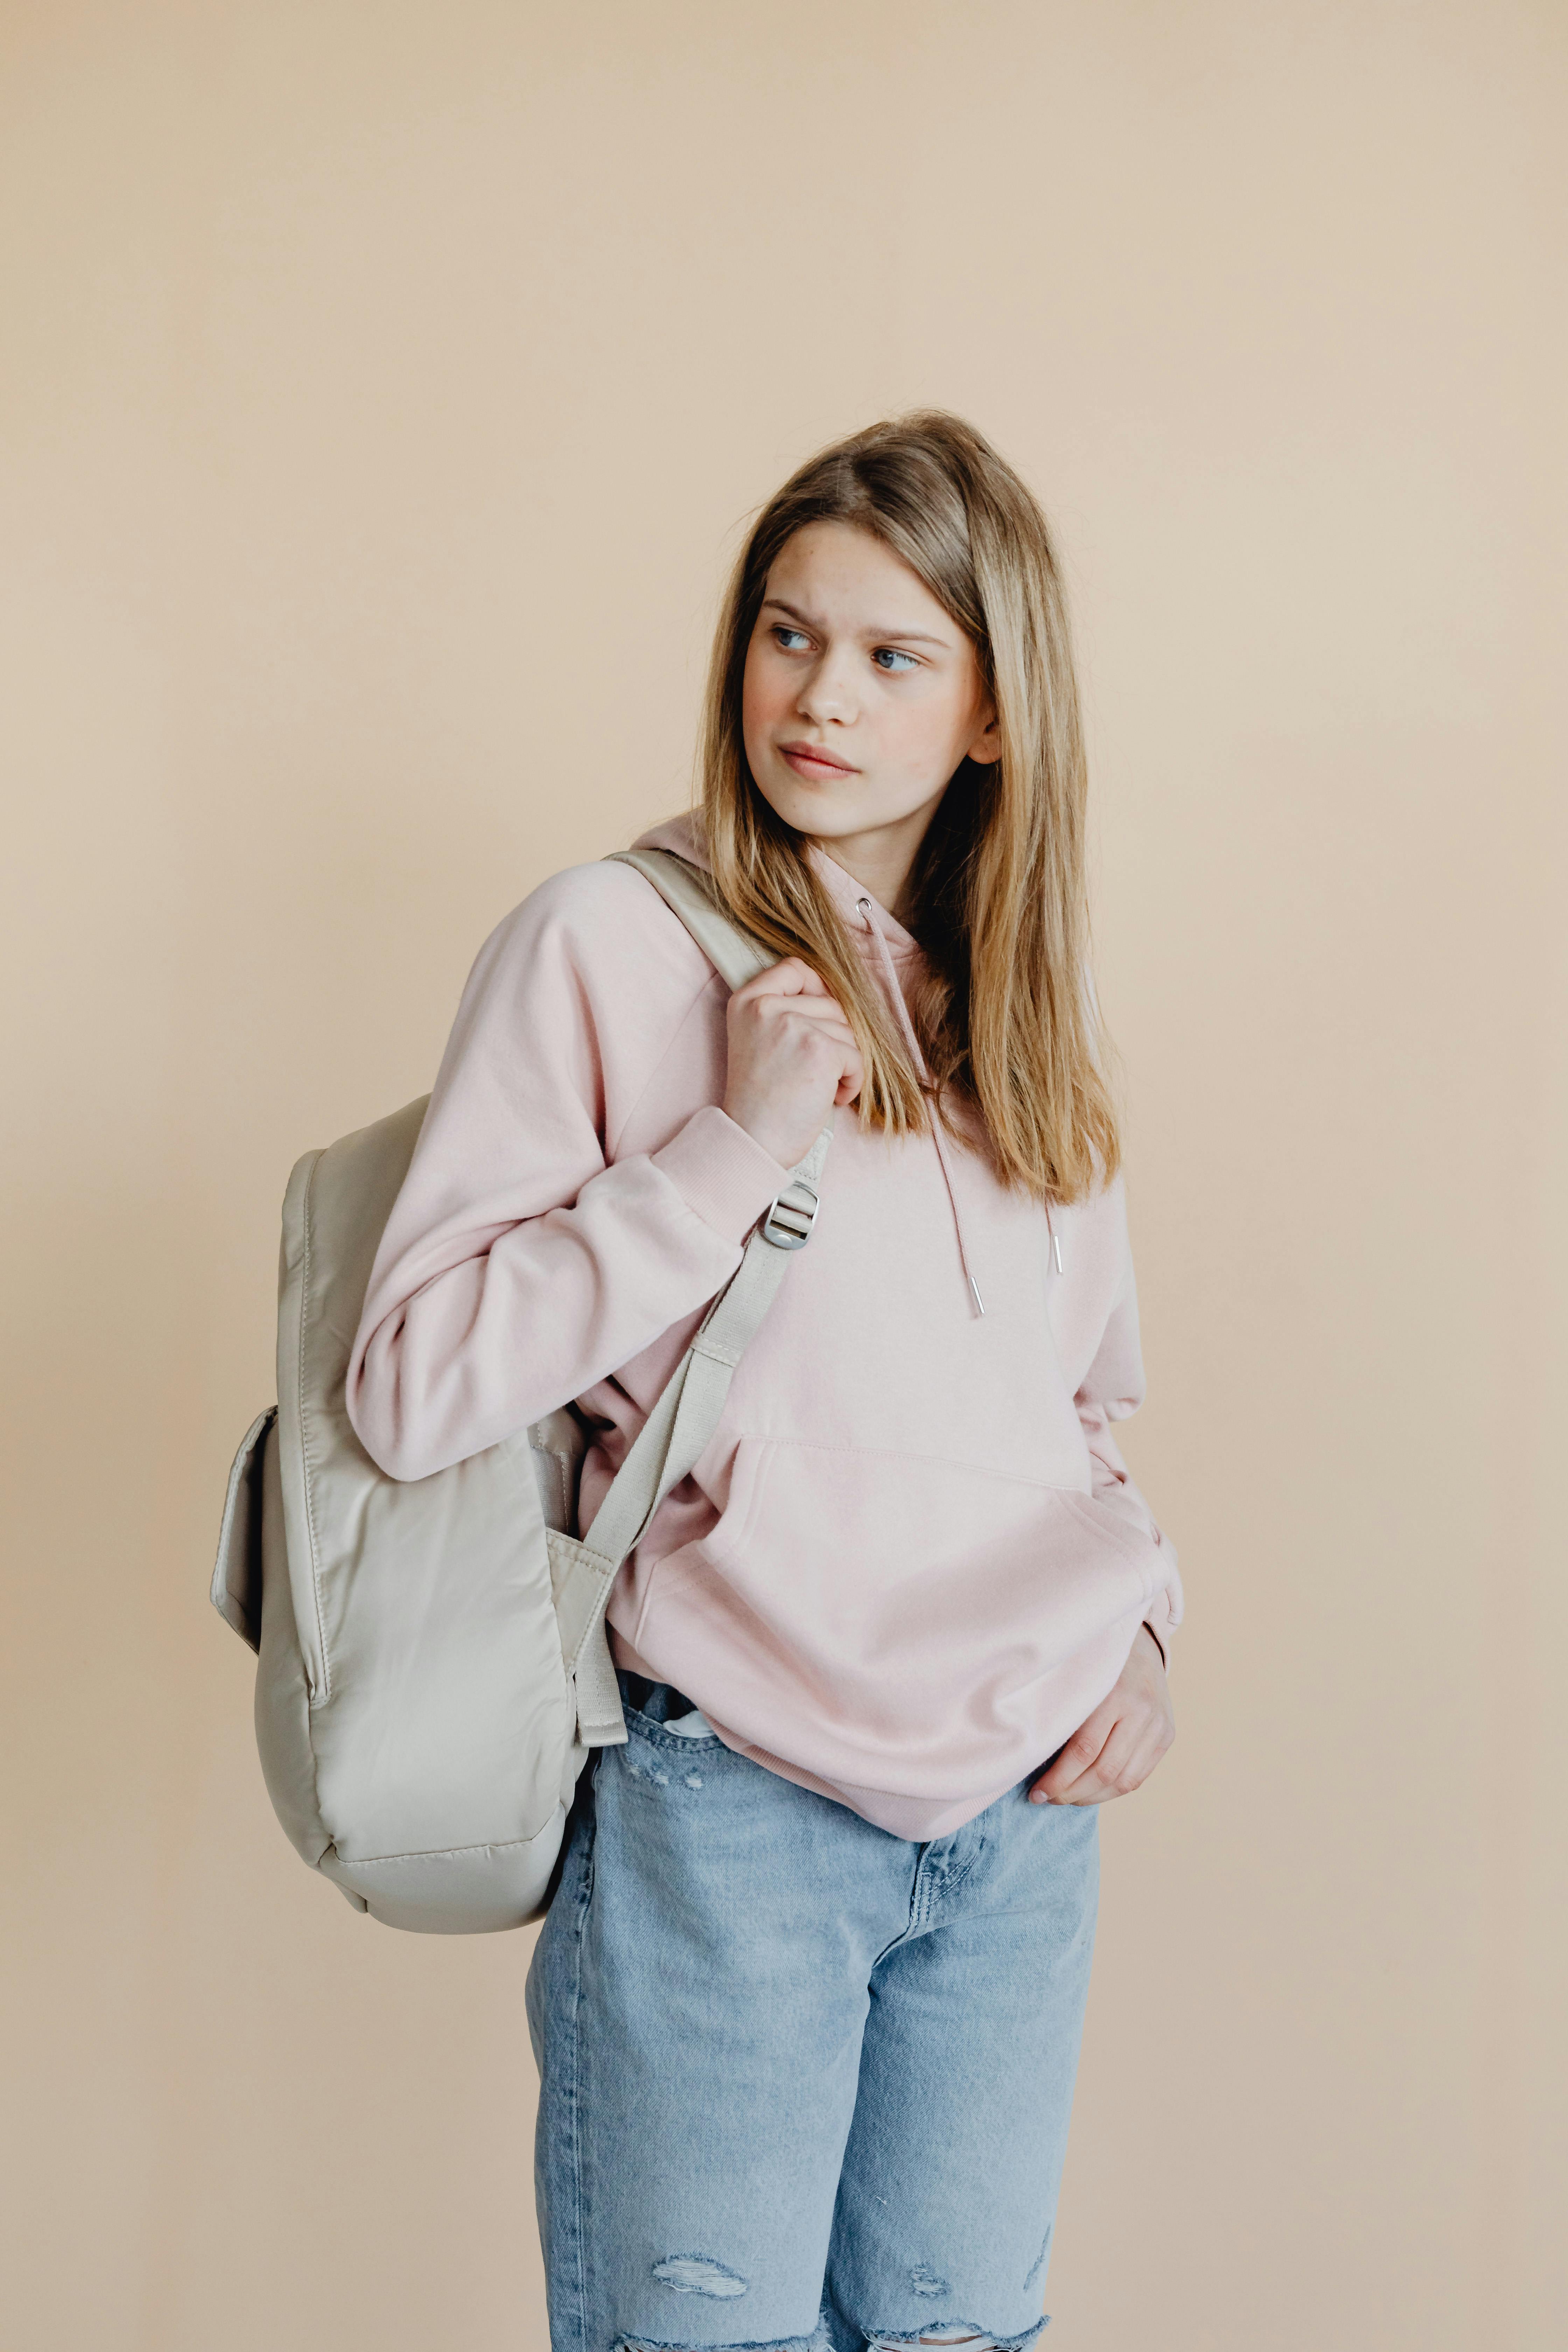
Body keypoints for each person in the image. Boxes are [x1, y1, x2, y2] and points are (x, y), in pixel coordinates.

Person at [347, 412, 1180, 2352]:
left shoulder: (1023, 1028)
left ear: (991, 712)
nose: (820, 698)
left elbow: (1078, 1423)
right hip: (735, 1806)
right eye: (789, 636)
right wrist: (727, 1152)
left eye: (895, 657)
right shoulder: (609, 946)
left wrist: (1146, 1632)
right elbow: (408, 1385)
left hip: (1016, 1827)